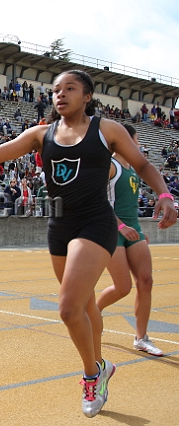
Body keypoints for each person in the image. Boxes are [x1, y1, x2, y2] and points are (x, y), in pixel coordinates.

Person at [0, 69, 177, 418]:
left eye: (70, 89)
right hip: (59, 226)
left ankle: (93, 375)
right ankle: (102, 366)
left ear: (87, 96)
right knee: (86, 305)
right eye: (56, 90)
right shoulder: (41, 134)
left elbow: (142, 164)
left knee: (67, 308)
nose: (60, 95)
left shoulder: (107, 130)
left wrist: (165, 195)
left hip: (96, 223)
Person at [97, 124, 163, 356]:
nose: (138, 145)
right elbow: (96, 201)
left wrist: (136, 228)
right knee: (123, 286)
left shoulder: (134, 169)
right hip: (112, 229)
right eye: (135, 140)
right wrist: (121, 226)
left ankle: (141, 338)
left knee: (146, 281)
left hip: (133, 229)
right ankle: (95, 310)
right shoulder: (109, 166)